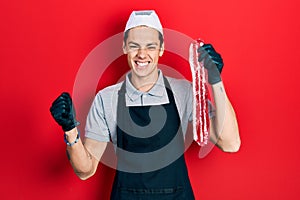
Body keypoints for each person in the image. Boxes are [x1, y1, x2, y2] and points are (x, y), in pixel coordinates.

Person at [50, 10, 240, 200]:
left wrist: (215, 80)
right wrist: (70, 130)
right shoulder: (107, 98)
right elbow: (86, 170)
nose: (142, 54)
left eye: (150, 46)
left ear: (161, 48)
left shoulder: (185, 92)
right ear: (124, 47)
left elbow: (230, 143)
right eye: (134, 46)